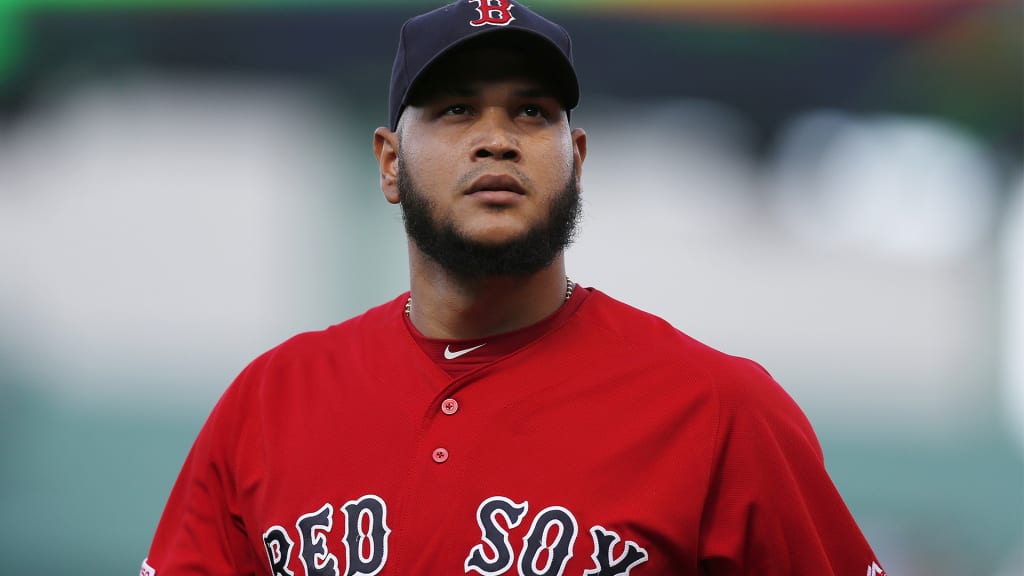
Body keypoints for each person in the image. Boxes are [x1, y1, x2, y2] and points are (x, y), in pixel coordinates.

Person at [142, 1, 887, 574]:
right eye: (456, 109)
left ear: (578, 158)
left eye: (532, 112)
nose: (496, 137)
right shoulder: (269, 404)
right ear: (390, 163)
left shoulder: (720, 412)